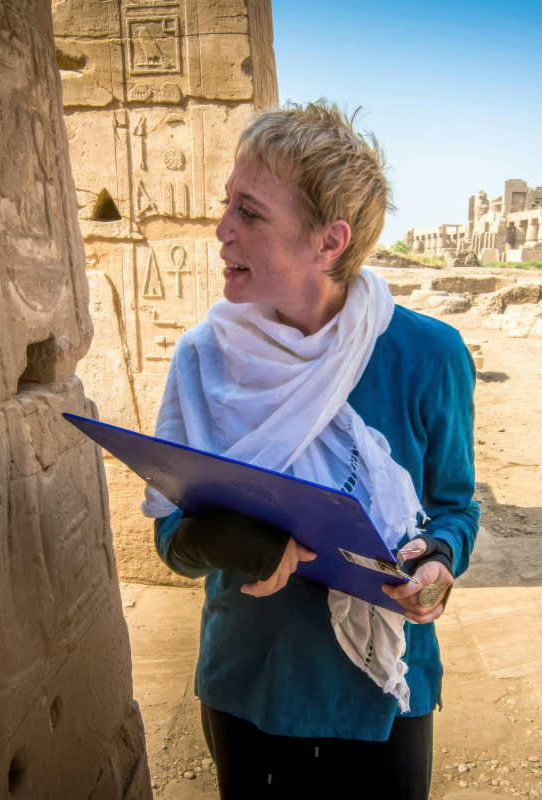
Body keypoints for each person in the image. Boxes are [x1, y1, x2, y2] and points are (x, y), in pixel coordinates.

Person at [142, 102, 478, 799]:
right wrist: (244, 543)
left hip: (384, 694)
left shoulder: (427, 355)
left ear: (329, 240)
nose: (221, 229)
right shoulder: (205, 360)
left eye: (251, 213)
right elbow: (175, 541)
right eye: (225, 203)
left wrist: (438, 562)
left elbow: (453, 508)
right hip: (251, 685)